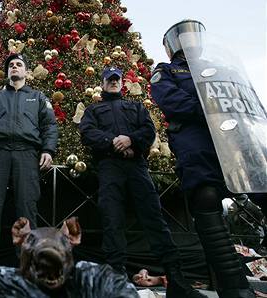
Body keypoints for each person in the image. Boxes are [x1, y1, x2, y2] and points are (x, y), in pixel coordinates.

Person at [79, 67, 205, 298]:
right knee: (111, 220)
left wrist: (131, 141)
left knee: (154, 219)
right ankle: (116, 282)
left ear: (122, 84)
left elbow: (148, 130)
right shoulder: (93, 110)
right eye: (110, 80)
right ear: (103, 84)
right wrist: (113, 142)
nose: (114, 83)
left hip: (137, 167)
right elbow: (87, 132)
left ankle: (176, 280)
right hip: (109, 168)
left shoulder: (136, 107)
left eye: (117, 79)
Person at [150, 19, 255, 297]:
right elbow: (168, 99)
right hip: (195, 140)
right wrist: (206, 108)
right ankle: (235, 288)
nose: (188, 41)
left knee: (260, 190)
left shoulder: (219, 68)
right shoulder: (167, 70)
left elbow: (240, 95)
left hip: (235, 141)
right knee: (206, 199)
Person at [0, 53, 58, 267]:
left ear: (26, 71)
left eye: (19, 65)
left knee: (27, 205)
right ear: (8, 72)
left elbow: (50, 126)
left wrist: (48, 150)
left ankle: (27, 262)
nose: (15, 67)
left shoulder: (39, 98)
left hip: (27, 153)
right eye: (11, 65)